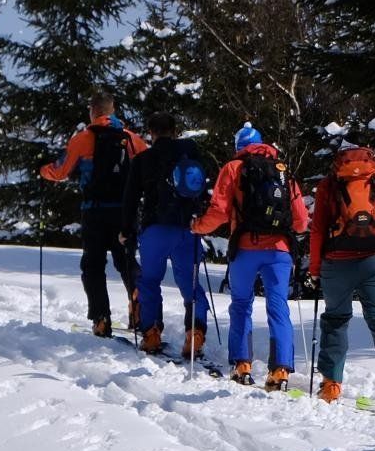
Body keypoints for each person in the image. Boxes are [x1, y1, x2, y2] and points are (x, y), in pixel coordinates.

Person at [191, 124, 309, 389]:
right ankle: (280, 370)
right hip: (279, 251)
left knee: (242, 304)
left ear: (238, 147)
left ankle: (242, 364)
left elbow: (219, 212)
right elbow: (301, 221)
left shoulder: (233, 168)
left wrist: (197, 226)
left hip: (245, 249)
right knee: (278, 307)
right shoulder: (282, 171)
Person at [307, 142, 375, 412]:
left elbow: (318, 229)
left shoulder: (329, 185)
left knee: (336, 320)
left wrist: (315, 269)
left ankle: (331, 385)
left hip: (337, 264)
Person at [40, 92, 148, 337]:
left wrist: (43, 171)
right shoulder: (131, 139)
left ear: (93, 112)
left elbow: (60, 171)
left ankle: (101, 318)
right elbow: (146, 168)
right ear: (112, 111)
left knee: (93, 265)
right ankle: (140, 307)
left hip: (94, 211)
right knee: (127, 261)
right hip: (124, 211)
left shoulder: (83, 139)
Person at [120, 111, 209, 357]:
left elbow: (130, 199)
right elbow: (201, 189)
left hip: (155, 229)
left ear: (151, 133)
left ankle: (151, 334)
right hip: (187, 229)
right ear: (174, 130)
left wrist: (126, 231)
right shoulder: (190, 154)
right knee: (191, 285)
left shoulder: (143, 160)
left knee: (149, 281)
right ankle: (195, 335)